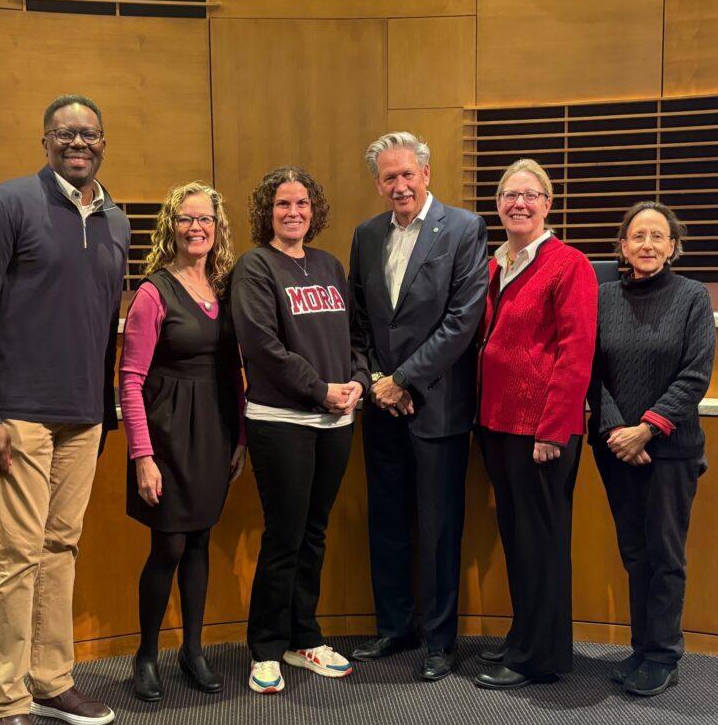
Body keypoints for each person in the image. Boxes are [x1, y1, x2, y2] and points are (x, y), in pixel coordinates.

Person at [0, 94, 129, 725]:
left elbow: (105, 321)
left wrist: (104, 409)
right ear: (45, 139)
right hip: (18, 415)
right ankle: (8, 701)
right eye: (65, 133)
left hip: (82, 417)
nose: (77, 143)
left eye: (88, 134)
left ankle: (52, 682)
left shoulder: (116, 219)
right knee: (20, 555)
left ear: (103, 142)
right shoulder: (8, 205)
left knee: (61, 548)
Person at [348, 132, 488, 681]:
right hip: (381, 406)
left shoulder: (463, 228)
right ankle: (394, 626)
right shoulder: (365, 235)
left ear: (426, 173)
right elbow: (358, 319)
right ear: (378, 183)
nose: (399, 185)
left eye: (408, 174)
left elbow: (463, 319)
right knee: (386, 521)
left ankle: (438, 640)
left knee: (437, 525)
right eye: (389, 177)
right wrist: (377, 380)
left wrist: (404, 379)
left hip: (437, 406)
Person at [231, 166, 367, 694]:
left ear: (315, 211)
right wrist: (320, 389)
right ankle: (265, 647)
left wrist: (356, 380)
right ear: (268, 211)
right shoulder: (255, 267)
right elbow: (262, 346)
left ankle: (303, 636)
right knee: (284, 535)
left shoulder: (330, 266)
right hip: (281, 421)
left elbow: (357, 334)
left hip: (336, 420)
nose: (294, 213)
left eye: (303, 204)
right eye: (283, 204)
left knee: (314, 532)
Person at [474, 158, 597, 691]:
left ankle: (538, 657)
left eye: (530, 194)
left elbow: (576, 352)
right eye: (508, 195)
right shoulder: (495, 262)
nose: (518, 203)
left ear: (548, 204)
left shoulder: (569, 264)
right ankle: (526, 634)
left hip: (542, 430)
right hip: (498, 424)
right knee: (518, 539)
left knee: (541, 542)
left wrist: (554, 427)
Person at [120, 182, 247, 700]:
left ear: (217, 230)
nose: (198, 228)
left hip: (214, 431)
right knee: (168, 545)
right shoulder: (154, 291)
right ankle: (146, 654)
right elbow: (129, 379)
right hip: (167, 433)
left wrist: (239, 436)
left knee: (199, 542)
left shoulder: (224, 289)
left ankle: (192, 650)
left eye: (206, 220)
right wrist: (142, 456)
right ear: (170, 227)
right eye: (187, 219)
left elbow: (233, 369)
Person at [588, 200, 716, 697]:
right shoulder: (602, 298)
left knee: (665, 554)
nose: (646, 244)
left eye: (656, 236)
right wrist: (620, 430)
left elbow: (696, 373)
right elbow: (590, 371)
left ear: (673, 246)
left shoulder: (692, 297)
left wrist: (648, 429)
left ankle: (663, 655)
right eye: (636, 236)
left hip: (671, 449)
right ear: (622, 246)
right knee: (635, 552)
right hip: (617, 447)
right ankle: (642, 649)